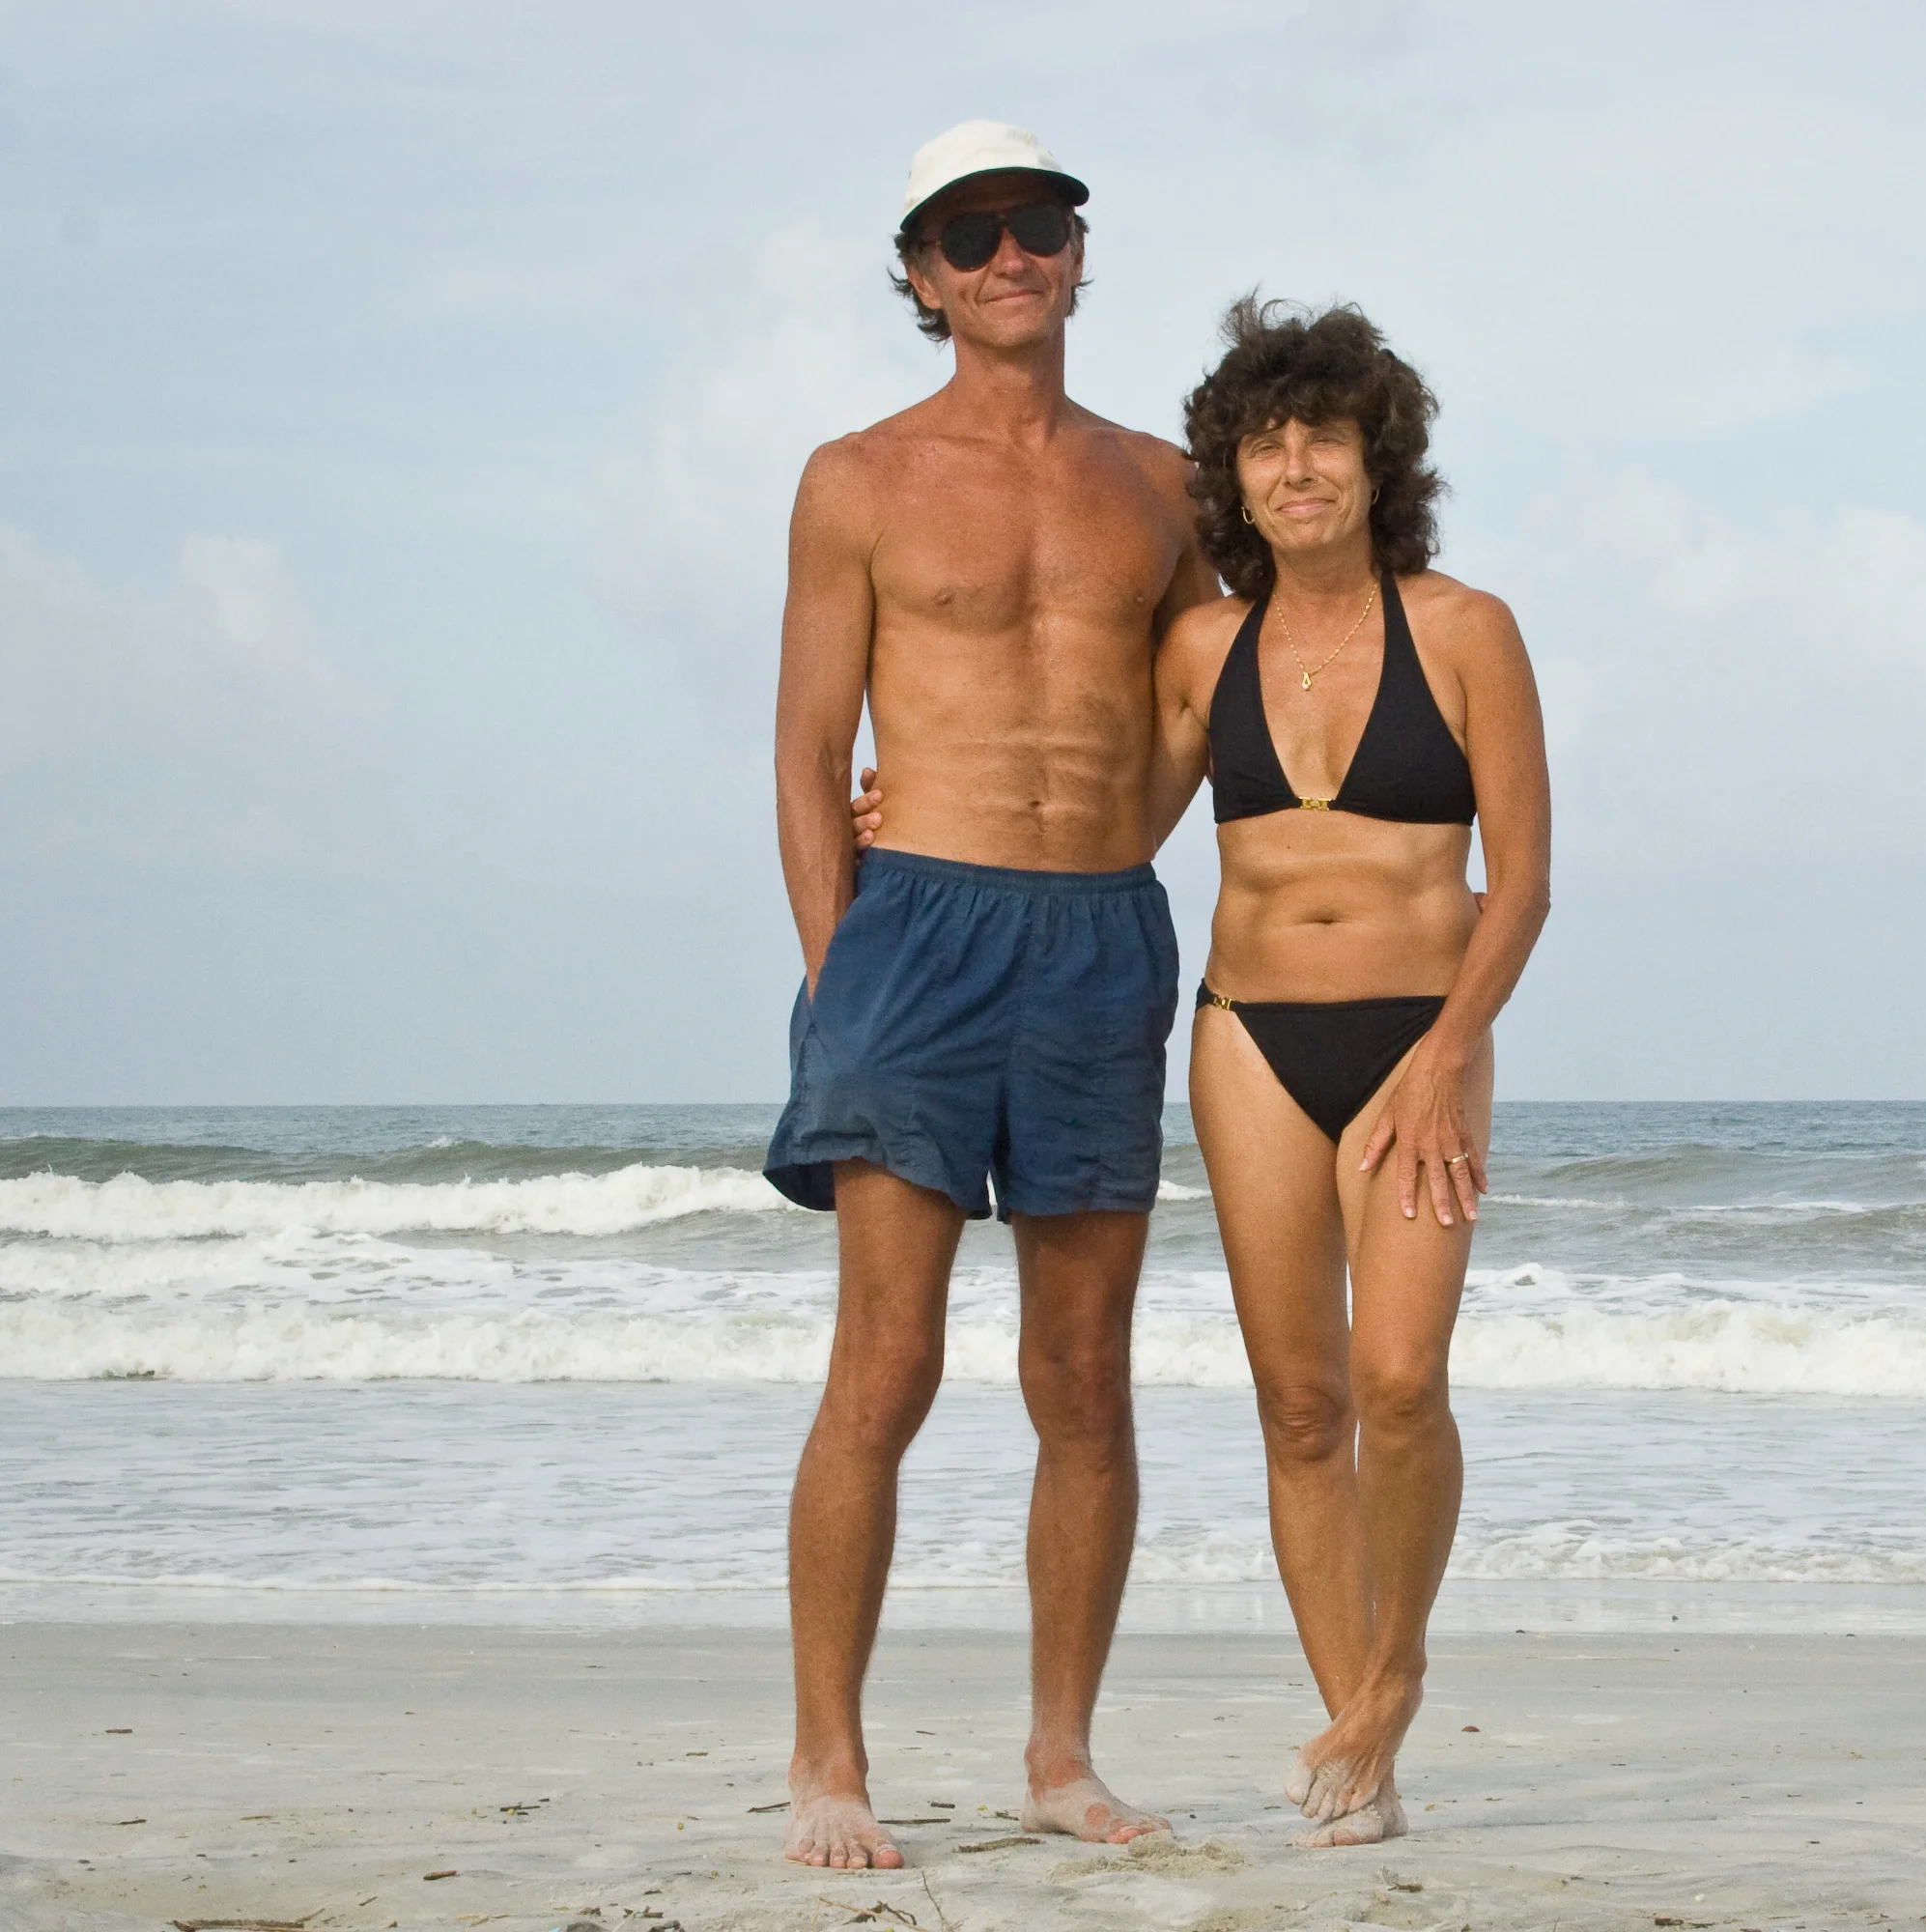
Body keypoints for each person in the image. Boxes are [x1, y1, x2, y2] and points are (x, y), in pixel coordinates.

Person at [857, 298, 1551, 1846]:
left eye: (1325, 437)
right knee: (1302, 1408)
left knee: (1400, 1381)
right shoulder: (1203, 648)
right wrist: (921, 815)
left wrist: (1448, 1055)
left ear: (1378, 457)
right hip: (1248, 1037)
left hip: (1420, 1040)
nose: (1297, 466)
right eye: (1266, 443)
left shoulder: (1466, 631)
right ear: (1233, 476)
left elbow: (1525, 885)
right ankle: (1359, 1752)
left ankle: (1394, 1675)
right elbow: (1106, 823)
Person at [761, 119, 1219, 1870]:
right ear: (923, 277)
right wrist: (842, 972)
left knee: (1083, 1378)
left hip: (1099, 937)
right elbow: (808, 754)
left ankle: (1060, 1757)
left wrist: (1117, 840)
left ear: (1079, 252)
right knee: (885, 1366)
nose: (1009, 254)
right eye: (969, 236)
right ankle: (828, 1763)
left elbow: (1214, 695)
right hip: (915, 941)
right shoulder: (856, 478)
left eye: (1038, 223)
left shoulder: (1166, 484)